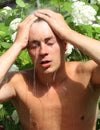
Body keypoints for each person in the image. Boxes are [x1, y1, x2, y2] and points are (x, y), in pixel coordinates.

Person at [0, 9, 100, 130]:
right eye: (34, 46)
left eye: (50, 43)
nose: (43, 52)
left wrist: (68, 33)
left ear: (65, 44)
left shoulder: (86, 74)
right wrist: (17, 45)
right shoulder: (19, 83)